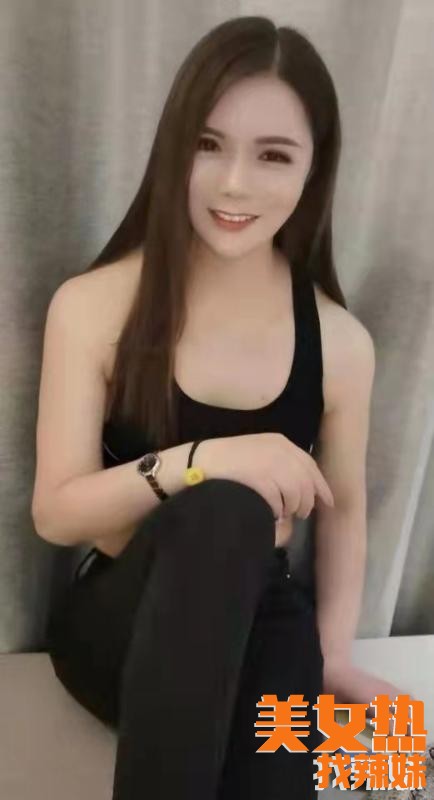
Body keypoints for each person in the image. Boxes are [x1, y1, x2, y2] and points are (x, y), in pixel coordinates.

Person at [32, 15, 400, 799]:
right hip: (122, 624)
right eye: (208, 144)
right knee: (226, 507)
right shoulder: (94, 306)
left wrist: (333, 656)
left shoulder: (341, 342)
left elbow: (342, 512)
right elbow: (57, 514)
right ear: (173, 149)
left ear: (314, 170)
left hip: (265, 618)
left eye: (273, 155)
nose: (234, 183)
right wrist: (208, 461)